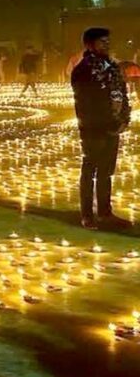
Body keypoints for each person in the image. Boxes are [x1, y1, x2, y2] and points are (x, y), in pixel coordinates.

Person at [71, 27, 131, 230]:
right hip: (93, 128)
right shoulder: (83, 70)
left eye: (108, 41)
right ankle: (87, 215)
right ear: (90, 44)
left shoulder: (112, 67)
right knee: (90, 170)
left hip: (113, 126)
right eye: (102, 42)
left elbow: (122, 94)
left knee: (106, 171)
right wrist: (105, 121)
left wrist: (123, 118)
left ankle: (105, 212)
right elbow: (86, 103)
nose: (107, 45)